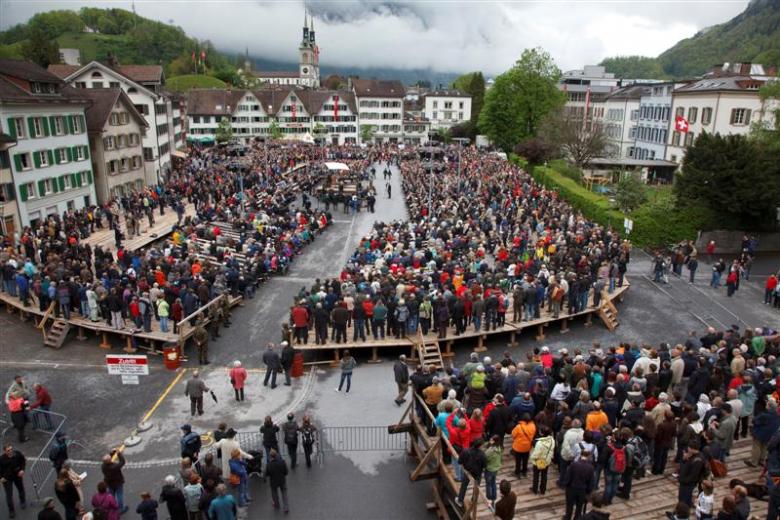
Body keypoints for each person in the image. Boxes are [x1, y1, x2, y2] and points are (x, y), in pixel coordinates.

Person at [562, 449, 595, 520]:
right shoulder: (591, 468)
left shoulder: (574, 464)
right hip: (582, 490)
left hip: (571, 489)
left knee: (569, 506)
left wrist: (565, 485)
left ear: (581, 454)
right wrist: (588, 491)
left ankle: (567, 518)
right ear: (589, 456)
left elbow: (568, 476)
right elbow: (591, 482)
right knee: (579, 508)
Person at [456, 438, 486, 507]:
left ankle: (460, 500)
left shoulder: (465, 451)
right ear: (480, 446)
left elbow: (459, 461)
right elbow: (484, 466)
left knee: (464, 486)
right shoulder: (482, 455)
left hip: (468, 471)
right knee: (476, 487)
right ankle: (474, 501)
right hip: (477, 473)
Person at [0, 443, 26, 519]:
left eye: (11, 449)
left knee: (21, 489)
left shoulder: (17, 454)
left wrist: (22, 470)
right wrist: (1, 478)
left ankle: (23, 501)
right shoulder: (1, 459)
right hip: (7, 479)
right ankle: (11, 511)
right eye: (8, 450)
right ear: (5, 451)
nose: (10, 451)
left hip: (17, 475)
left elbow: (23, 461)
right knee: (9, 496)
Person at [678, 442, 706, 507]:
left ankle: (683, 511)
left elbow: (693, 475)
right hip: (685, 481)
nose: (687, 449)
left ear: (692, 449)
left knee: (685, 500)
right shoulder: (691, 455)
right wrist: (684, 459)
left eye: (689, 448)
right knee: (681, 498)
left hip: (688, 484)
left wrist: (683, 480)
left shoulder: (698, 460)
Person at [530, 425, 555, 496]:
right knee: (544, 475)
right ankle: (543, 490)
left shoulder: (540, 443)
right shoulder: (552, 440)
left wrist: (532, 457)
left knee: (536, 476)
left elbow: (536, 454)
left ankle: (535, 489)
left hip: (538, 461)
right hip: (546, 461)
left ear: (542, 433)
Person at [100, 449, 127, 514]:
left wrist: (112, 453)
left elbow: (108, 459)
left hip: (109, 483)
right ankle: (121, 509)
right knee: (119, 495)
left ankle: (112, 506)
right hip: (117, 482)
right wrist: (119, 454)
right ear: (109, 461)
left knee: (111, 495)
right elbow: (122, 462)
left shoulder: (103, 466)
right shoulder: (114, 467)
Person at [511, 413, 536, 477]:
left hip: (518, 447)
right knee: (525, 459)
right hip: (527, 447)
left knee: (518, 461)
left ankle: (517, 473)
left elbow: (513, 434)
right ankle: (524, 472)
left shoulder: (519, 427)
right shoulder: (533, 426)